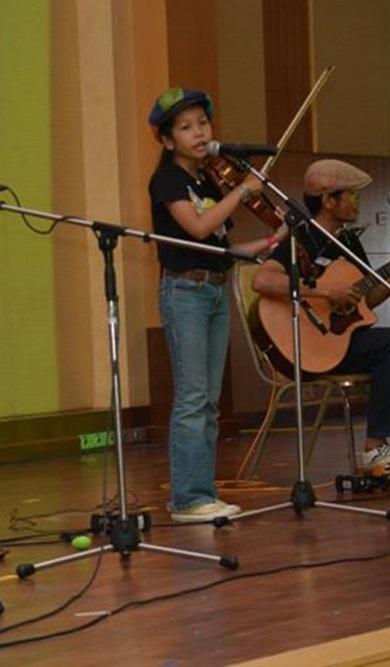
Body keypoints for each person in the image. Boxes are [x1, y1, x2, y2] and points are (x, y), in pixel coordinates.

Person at [251, 159, 390, 476]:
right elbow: (263, 280)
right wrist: (325, 292)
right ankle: (375, 446)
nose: (357, 201)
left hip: (345, 340)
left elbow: (366, 300)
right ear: (328, 200)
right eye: (350, 195)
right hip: (313, 345)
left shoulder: (349, 241)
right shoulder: (302, 237)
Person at [148, 87, 287, 523]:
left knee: (209, 401)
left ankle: (202, 494)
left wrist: (272, 240)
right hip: (184, 292)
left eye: (203, 123)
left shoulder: (208, 181)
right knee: (193, 398)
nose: (199, 132)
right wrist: (243, 190)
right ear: (167, 140)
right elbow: (199, 227)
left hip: (215, 288)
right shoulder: (167, 180)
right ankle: (188, 499)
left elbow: (224, 248)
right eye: (185, 127)